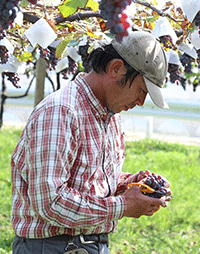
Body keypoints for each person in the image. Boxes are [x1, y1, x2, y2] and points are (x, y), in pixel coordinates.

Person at [11, 31, 171, 254]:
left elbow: (90, 180)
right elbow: (51, 203)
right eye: (141, 90)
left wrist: (131, 184)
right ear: (116, 69)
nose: (141, 102)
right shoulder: (61, 112)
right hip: (51, 247)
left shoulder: (110, 116)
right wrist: (124, 206)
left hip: (90, 244)